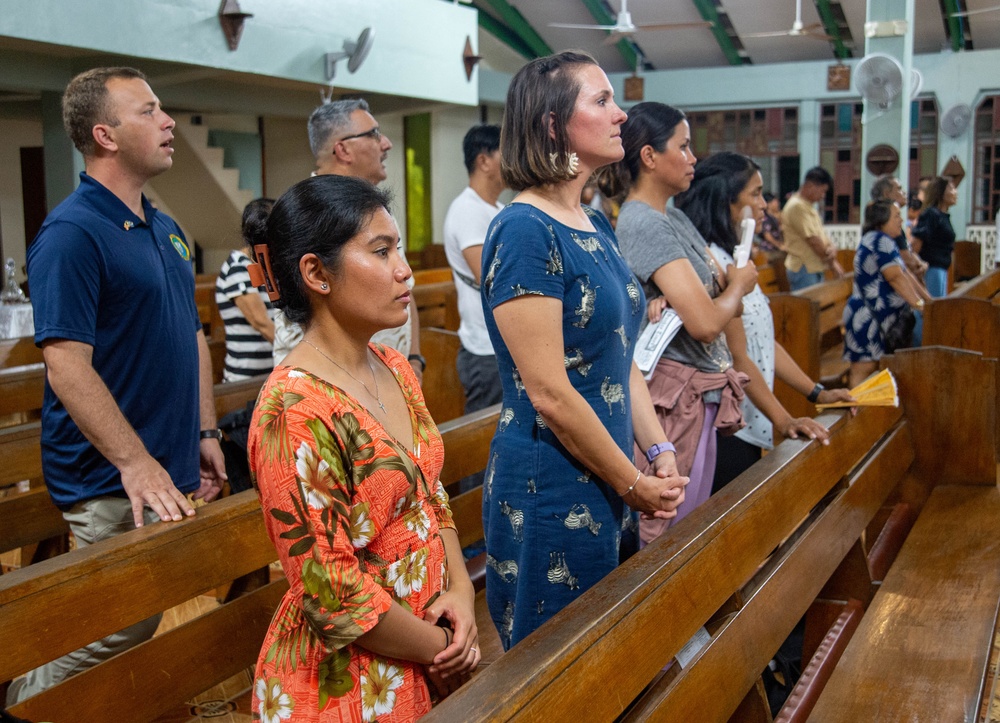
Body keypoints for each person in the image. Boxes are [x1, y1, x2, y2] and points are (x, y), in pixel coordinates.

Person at [8, 67, 226, 705]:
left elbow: (190, 338)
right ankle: (27, 705)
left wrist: (205, 430)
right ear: (104, 134)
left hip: (166, 459)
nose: (167, 121)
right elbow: (67, 365)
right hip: (110, 474)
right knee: (118, 623)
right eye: (148, 111)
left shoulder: (165, 228)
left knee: (137, 615)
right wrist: (135, 462)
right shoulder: (72, 233)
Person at [246, 175, 478, 720]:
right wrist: (441, 648)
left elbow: (430, 492)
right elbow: (332, 594)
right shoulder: (293, 409)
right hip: (353, 675)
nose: (404, 269)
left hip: (430, 637)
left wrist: (463, 593)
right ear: (315, 273)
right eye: (381, 251)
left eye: (398, 247)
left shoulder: (393, 366)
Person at [481, 51, 687, 650]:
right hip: (550, 479)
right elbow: (548, 391)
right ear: (552, 125)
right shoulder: (524, 229)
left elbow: (621, 359)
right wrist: (632, 483)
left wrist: (658, 448)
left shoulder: (593, 222)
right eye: (601, 101)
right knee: (559, 664)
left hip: (607, 467)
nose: (620, 114)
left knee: (607, 650)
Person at [602, 102, 755, 544]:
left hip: (698, 388)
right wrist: (736, 286)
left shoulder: (675, 215)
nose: (693, 159)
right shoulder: (643, 222)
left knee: (692, 525)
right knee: (670, 533)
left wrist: (725, 294)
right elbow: (709, 321)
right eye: (683, 147)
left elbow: (726, 308)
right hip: (672, 395)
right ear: (649, 156)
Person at [674, 152, 856, 488]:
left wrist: (816, 393)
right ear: (728, 201)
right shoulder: (711, 262)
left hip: (750, 415)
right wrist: (784, 420)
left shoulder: (735, 259)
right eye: (755, 194)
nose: (764, 205)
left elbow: (763, 343)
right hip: (725, 422)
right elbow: (739, 356)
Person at [271, 98, 424, 382]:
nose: (386, 143)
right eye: (375, 133)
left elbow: (406, 288)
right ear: (343, 148)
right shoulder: (305, 215)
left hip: (387, 371)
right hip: (332, 381)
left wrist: (414, 359)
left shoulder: (376, 209)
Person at [443, 124, 504, 418]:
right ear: (484, 161)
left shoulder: (497, 208)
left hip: (500, 345)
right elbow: (493, 278)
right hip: (485, 349)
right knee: (484, 447)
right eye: (506, 152)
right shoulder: (468, 209)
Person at [843, 201, 927, 388]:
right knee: (863, 369)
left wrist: (926, 301)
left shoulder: (882, 239)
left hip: (876, 317)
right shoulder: (880, 241)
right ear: (882, 220)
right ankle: (856, 414)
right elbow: (895, 277)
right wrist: (920, 305)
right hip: (868, 319)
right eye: (896, 215)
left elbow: (904, 274)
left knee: (870, 369)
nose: (901, 220)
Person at [215, 197, 276, 382]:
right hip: (246, 378)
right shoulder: (239, 266)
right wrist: (298, 358)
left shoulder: (267, 266)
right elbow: (261, 322)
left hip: (270, 374)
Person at [783, 167, 844, 290]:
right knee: (807, 307)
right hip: (804, 268)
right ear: (810, 186)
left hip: (813, 267)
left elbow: (821, 235)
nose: (823, 196)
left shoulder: (808, 206)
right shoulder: (797, 206)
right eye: (822, 191)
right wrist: (832, 264)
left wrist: (832, 247)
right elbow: (814, 241)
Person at [911, 176, 958, 298]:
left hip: (942, 269)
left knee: (938, 309)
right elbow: (917, 243)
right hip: (931, 268)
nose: (955, 192)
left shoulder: (943, 216)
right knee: (930, 309)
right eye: (951, 189)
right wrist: (915, 267)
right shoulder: (931, 214)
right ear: (941, 192)